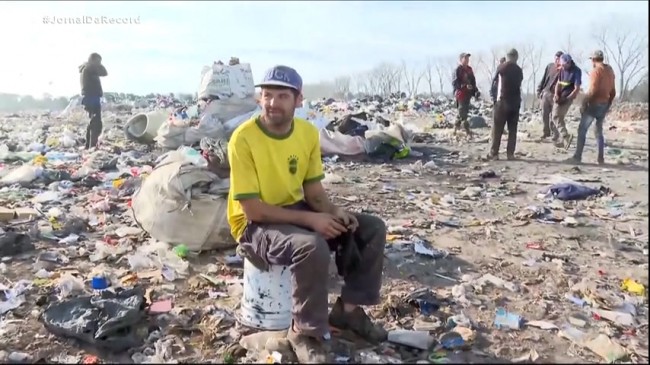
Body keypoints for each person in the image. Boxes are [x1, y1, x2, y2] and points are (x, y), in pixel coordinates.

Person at [227, 65, 388, 363]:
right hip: (253, 225)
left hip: (294, 210)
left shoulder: (306, 133)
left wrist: (334, 212)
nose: (273, 103)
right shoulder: (243, 138)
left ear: (298, 100)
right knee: (311, 246)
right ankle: (305, 332)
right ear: (259, 99)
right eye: (267, 95)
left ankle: (349, 312)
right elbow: (252, 209)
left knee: (370, 228)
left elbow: (313, 193)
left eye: (282, 96)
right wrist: (313, 220)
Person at [566, 50, 616, 165]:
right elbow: (613, 91)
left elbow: (593, 90)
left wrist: (584, 103)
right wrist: (608, 103)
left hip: (594, 104)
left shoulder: (596, 71)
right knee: (598, 131)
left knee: (582, 129)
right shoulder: (610, 70)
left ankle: (577, 157)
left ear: (593, 60)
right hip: (604, 103)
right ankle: (600, 158)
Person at [487, 48, 524, 160]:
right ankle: (510, 154)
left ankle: (494, 153)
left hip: (502, 102)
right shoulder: (519, 70)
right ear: (516, 57)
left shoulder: (501, 68)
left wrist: (493, 99)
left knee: (497, 129)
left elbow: (494, 84)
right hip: (515, 102)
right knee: (512, 130)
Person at [79, 53, 108, 149]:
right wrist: (97, 64)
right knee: (96, 123)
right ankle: (92, 146)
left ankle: (89, 145)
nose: (99, 64)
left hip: (90, 98)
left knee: (92, 122)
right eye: (98, 61)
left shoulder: (88, 68)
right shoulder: (90, 68)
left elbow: (103, 72)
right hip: (91, 98)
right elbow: (104, 72)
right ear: (93, 60)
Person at [536, 51, 564, 141]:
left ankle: (555, 134)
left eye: (559, 58)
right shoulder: (550, 66)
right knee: (544, 114)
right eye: (556, 58)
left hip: (556, 95)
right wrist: (539, 90)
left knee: (554, 116)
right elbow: (544, 79)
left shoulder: (563, 69)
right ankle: (545, 132)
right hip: (546, 92)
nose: (557, 60)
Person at [452, 52, 480, 138]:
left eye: (468, 59)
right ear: (461, 60)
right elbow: (455, 83)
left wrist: (475, 91)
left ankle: (455, 130)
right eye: (465, 58)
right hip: (460, 94)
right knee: (462, 113)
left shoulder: (469, 69)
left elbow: (473, 81)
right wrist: (464, 86)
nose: (467, 60)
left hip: (468, 94)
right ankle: (467, 131)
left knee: (462, 113)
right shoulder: (458, 70)